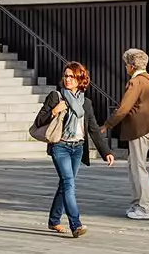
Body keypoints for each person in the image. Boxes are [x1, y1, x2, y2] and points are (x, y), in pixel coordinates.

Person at [34, 61, 113, 237]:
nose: (68, 79)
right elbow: (39, 121)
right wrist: (54, 111)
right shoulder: (56, 97)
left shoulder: (86, 103)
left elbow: (93, 128)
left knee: (65, 184)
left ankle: (54, 220)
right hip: (60, 146)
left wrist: (106, 151)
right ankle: (76, 225)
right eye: (66, 76)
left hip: (77, 148)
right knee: (69, 183)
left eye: (72, 76)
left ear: (80, 80)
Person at [103, 48, 149, 220]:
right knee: (135, 166)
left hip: (139, 129)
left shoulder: (136, 82)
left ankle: (145, 207)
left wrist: (108, 124)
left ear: (131, 66)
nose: (125, 68)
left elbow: (124, 107)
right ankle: (138, 204)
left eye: (126, 64)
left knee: (138, 168)